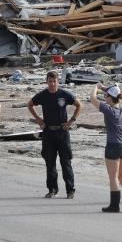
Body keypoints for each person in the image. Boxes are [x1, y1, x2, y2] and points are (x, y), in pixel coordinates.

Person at [90, 82, 122, 213]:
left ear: (110, 98)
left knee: (113, 176)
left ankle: (114, 205)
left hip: (113, 146)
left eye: (106, 96)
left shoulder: (109, 110)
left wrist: (96, 87)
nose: (105, 97)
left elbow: (92, 98)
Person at [28, 71, 82, 199]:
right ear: (46, 82)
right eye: (50, 81)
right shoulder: (42, 95)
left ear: (58, 82)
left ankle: (70, 190)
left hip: (62, 132)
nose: (52, 84)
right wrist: (38, 119)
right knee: (50, 162)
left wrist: (71, 121)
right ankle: (52, 189)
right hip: (48, 133)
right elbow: (30, 104)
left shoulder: (64, 94)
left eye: (54, 81)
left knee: (66, 162)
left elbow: (79, 105)